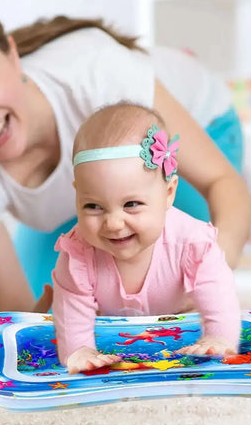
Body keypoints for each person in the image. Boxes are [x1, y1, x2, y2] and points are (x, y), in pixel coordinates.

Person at [0, 0, 251, 314]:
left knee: (159, 281)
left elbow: (224, 183)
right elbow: (20, 320)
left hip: (196, 132)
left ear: (12, 55)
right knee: (63, 302)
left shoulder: (96, 71)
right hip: (86, 202)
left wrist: (214, 271)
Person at [53, 103, 241, 374]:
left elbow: (219, 297)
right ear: (77, 194)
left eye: (131, 204)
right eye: (93, 206)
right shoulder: (78, 254)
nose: (113, 224)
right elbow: (71, 315)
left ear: (168, 193)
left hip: (180, 332)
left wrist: (218, 338)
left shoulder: (192, 243)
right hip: (116, 340)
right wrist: (79, 350)